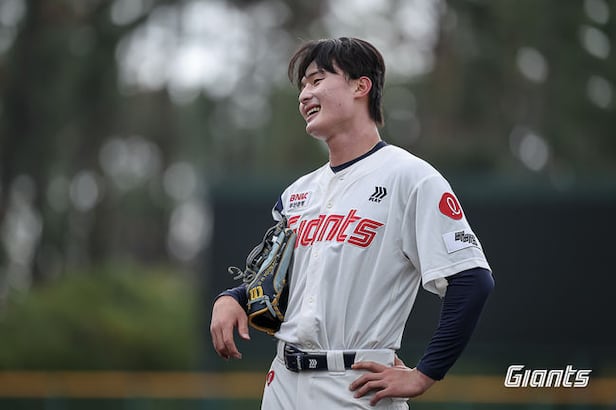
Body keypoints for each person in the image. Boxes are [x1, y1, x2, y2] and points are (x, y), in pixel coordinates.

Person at [210, 37, 494, 409]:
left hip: (356, 386)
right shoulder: (298, 193)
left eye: (317, 80)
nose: (304, 95)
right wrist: (234, 298)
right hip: (282, 383)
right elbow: (283, 283)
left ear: (361, 86)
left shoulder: (410, 178)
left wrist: (426, 373)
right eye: (302, 86)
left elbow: (471, 279)